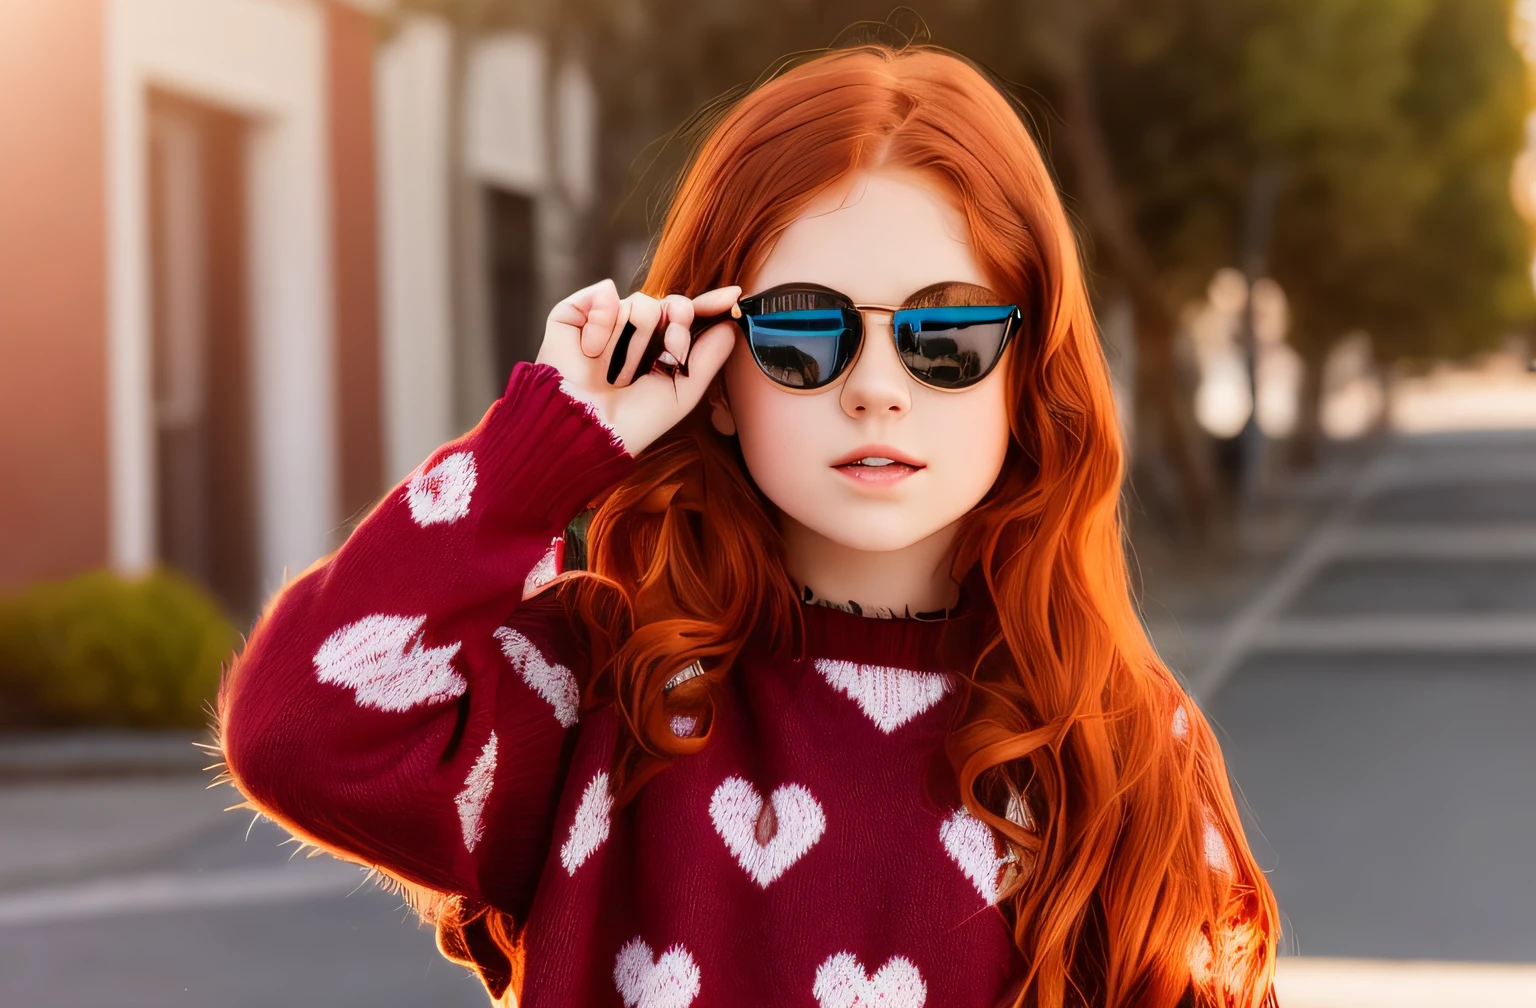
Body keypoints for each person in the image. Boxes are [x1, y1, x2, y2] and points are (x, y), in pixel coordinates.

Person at [217, 40, 1280, 1008]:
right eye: (804, 332)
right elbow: (298, 733)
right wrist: (547, 446)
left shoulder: (1120, 741)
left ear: (1026, 373)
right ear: (716, 375)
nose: (874, 389)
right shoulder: (599, 696)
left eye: (946, 333)